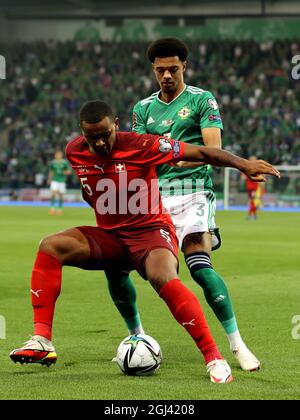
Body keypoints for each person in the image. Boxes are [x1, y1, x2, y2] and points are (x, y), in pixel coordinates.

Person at [9, 100, 279, 383]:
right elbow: (89, 189)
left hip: (150, 232)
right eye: (93, 137)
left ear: (116, 124)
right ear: (82, 133)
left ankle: (214, 357)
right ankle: (42, 341)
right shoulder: (74, 151)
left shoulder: (143, 144)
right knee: (50, 245)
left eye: (105, 134)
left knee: (163, 276)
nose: (100, 142)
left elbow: (200, 151)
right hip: (111, 237)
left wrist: (242, 164)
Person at [106, 37, 263, 372]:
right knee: (118, 267)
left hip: (193, 193)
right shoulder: (142, 108)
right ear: (153, 69)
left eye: (172, 69)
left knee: (200, 268)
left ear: (184, 67)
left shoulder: (202, 100)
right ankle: (137, 335)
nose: (166, 75)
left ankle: (237, 345)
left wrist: (181, 161)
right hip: (153, 200)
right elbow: (138, 156)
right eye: (160, 69)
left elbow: (213, 149)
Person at [48, 150, 71, 215]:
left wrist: (64, 172)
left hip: (62, 181)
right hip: (54, 180)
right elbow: (51, 171)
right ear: (55, 155)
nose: (58, 156)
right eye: (57, 154)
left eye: (59, 154)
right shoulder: (53, 163)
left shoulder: (64, 163)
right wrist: (49, 179)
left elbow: (69, 171)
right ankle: (52, 208)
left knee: (61, 196)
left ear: (61, 155)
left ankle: (60, 209)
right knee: (53, 194)